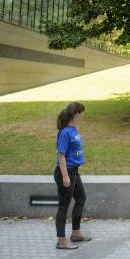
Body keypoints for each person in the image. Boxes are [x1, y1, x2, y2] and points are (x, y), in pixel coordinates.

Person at [54, 102, 91, 249]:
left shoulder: (73, 129)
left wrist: (76, 170)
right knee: (63, 206)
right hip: (66, 172)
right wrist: (65, 176)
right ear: (75, 114)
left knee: (81, 198)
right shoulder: (64, 132)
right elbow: (61, 156)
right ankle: (61, 240)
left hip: (74, 170)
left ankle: (76, 233)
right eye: (81, 112)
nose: (82, 115)